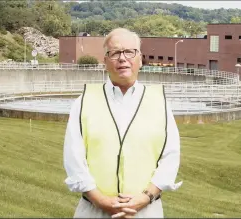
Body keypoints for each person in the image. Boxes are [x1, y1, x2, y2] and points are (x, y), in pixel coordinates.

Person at [63, 28, 182, 218]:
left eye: (129, 51)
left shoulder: (160, 102)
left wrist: (145, 197)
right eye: (115, 52)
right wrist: (101, 200)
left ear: (140, 59)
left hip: (145, 211)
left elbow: (170, 157)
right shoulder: (84, 101)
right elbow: (73, 159)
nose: (122, 58)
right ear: (105, 61)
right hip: (94, 211)